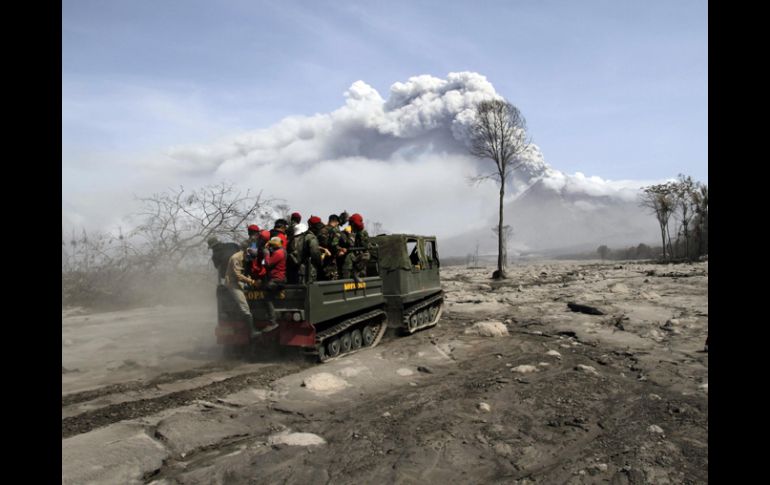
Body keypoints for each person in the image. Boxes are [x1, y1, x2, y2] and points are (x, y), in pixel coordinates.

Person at [224, 244, 262, 338]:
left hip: (241, 283)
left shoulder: (246, 257)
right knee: (244, 305)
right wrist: (252, 282)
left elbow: (245, 271)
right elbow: (238, 275)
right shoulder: (235, 258)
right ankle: (252, 331)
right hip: (233, 284)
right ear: (246, 252)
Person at [262, 237, 287, 330]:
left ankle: (273, 321)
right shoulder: (282, 251)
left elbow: (268, 263)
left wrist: (266, 252)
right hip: (279, 279)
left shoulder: (278, 253)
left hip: (277, 280)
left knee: (267, 297)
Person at [340, 213, 370, 280]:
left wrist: (361, 235)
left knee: (366, 255)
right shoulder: (344, 233)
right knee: (350, 255)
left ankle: (356, 272)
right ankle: (351, 274)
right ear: (351, 224)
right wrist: (350, 234)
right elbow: (350, 244)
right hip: (346, 261)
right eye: (355, 226)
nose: (356, 228)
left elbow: (366, 245)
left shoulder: (361, 232)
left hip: (357, 260)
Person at [316, 214, 341, 280]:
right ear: (336, 222)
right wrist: (339, 251)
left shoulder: (321, 230)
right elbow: (334, 246)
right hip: (330, 262)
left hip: (320, 261)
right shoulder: (335, 231)